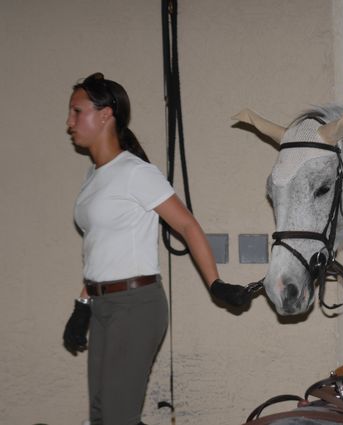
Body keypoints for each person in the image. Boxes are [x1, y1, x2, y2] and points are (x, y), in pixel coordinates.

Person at [62, 72, 250, 425]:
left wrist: (216, 284)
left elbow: (187, 225)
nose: (69, 122)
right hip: (102, 306)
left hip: (135, 307)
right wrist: (82, 305)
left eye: (77, 111)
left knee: (117, 416)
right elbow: (100, 249)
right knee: (101, 415)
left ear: (105, 115)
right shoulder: (93, 176)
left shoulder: (135, 172)